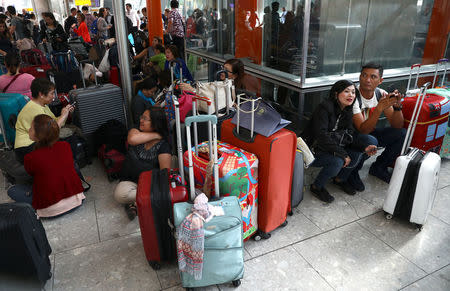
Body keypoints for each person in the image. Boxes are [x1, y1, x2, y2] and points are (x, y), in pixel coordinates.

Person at [303, 80, 377, 203]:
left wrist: (364, 148)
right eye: (346, 91)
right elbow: (321, 136)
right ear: (336, 93)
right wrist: (342, 153)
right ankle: (317, 186)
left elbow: (349, 136)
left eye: (353, 92)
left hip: (329, 148)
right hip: (312, 149)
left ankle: (340, 179)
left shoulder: (347, 110)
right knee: (338, 161)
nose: (351, 95)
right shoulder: (325, 107)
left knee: (356, 153)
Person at [7, 114, 85, 218]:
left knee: (13, 190)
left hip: (50, 209)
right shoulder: (65, 146)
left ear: (38, 135)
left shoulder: (30, 157)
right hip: (76, 200)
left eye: (31, 128)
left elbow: (31, 173)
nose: (29, 129)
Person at [114, 107, 171, 220]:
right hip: (131, 181)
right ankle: (143, 201)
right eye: (142, 117)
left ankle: (137, 202)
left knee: (162, 192)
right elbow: (132, 139)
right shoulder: (136, 129)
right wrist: (156, 134)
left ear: (155, 123)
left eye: (145, 119)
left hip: (150, 184)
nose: (141, 120)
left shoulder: (163, 146)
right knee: (119, 195)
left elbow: (165, 173)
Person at [352, 63, 406, 183]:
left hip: (369, 132)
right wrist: (379, 109)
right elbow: (362, 130)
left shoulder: (380, 93)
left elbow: (397, 125)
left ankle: (379, 167)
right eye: (364, 75)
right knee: (370, 140)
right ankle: (353, 172)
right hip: (352, 135)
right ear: (359, 77)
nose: (367, 80)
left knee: (401, 133)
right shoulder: (353, 95)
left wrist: (397, 107)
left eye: (373, 77)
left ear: (380, 80)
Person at [15, 78, 74, 163]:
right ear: (41, 94)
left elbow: (54, 122)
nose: (54, 96)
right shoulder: (34, 109)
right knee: (65, 146)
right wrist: (63, 115)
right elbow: (51, 130)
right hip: (26, 148)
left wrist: (64, 114)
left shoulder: (42, 105)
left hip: (36, 142)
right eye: (52, 93)